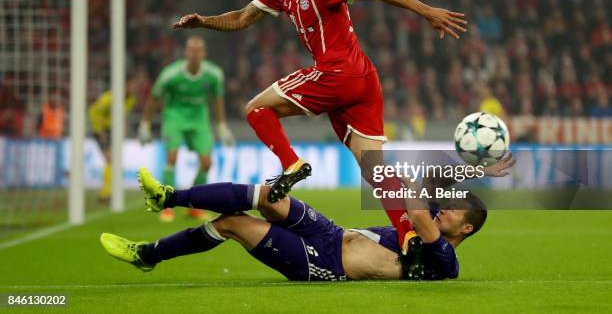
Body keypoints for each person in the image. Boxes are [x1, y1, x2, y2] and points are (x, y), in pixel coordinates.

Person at [173, 0, 468, 206]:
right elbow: (241, 18)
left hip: (337, 73)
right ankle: (413, 233)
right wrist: (203, 22)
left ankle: (292, 164)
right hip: (362, 78)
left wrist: (427, 11)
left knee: (256, 109)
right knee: (375, 173)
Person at [100, 154, 514, 281]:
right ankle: (168, 197)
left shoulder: (445, 260)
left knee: (232, 223)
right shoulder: (426, 232)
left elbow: (418, 211)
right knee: (267, 197)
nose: (446, 209)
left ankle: (148, 253)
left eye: (454, 210)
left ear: (467, 229)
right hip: (331, 234)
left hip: (325, 264)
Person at [138, 35, 235, 222]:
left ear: (204, 53)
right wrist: (145, 123)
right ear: (186, 53)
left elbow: (217, 99)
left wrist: (222, 126)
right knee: (172, 156)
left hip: (199, 119)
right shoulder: (171, 74)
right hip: (175, 116)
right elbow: (154, 98)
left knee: (207, 162)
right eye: (191, 50)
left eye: (198, 51)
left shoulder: (213, 74)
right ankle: (167, 204)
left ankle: (194, 206)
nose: (195, 54)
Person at [88, 75, 140, 203]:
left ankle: (108, 192)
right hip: (101, 129)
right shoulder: (109, 99)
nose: (134, 88)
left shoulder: (131, 99)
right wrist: (99, 131)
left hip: (112, 130)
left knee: (113, 161)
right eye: (131, 85)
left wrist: (122, 126)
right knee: (110, 160)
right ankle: (105, 194)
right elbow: (94, 112)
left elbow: (122, 114)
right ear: (124, 86)